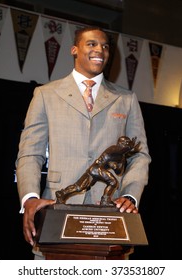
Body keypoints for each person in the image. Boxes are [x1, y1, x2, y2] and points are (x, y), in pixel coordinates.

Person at [16, 26, 151, 258]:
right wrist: (29, 198)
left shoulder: (126, 99)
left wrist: (129, 195)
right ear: (74, 50)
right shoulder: (45, 94)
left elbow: (140, 155)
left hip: (109, 217)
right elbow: (30, 153)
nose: (100, 49)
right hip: (56, 211)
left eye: (105, 46)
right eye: (92, 44)